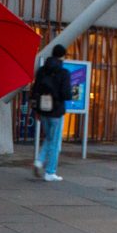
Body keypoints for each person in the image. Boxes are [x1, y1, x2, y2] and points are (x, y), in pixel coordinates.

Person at [30, 44, 73, 182]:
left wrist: (36, 110)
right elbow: (66, 93)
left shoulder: (42, 70)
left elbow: (35, 90)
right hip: (56, 112)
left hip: (43, 110)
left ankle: (39, 161)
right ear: (62, 56)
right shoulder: (63, 72)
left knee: (49, 138)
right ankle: (50, 171)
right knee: (54, 141)